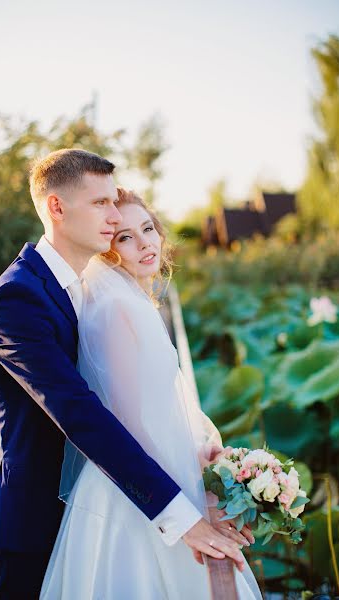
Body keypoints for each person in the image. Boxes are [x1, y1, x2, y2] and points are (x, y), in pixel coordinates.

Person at [0, 149, 245, 599]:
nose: (114, 213)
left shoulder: (90, 289)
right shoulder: (17, 300)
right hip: (33, 523)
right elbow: (83, 415)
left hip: (97, 510)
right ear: (57, 208)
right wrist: (181, 516)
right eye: (100, 203)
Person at [40, 188, 262, 599]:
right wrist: (188, 499)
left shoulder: (132, 300)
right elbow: (131, 422)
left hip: (155, 468)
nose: (144, 243)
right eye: (124, 236)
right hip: (137, 491)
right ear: (107, 251)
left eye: (147, 229)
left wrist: (200, 454)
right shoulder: (116, 309)